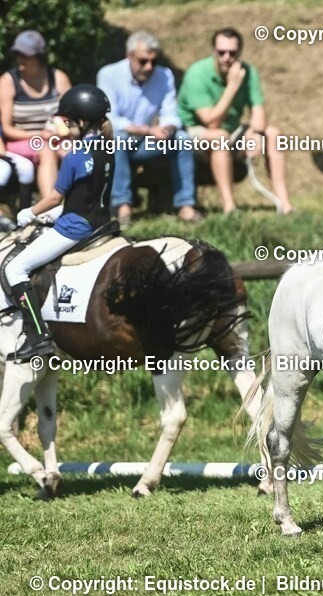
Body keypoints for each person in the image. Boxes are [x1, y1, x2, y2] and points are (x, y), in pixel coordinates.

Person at [6, 85, 114, 362]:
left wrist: (29, 212)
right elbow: (89, 193)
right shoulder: (109, 147)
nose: (64, 126)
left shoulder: (76, 156)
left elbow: (54, 197)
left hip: (75, 228)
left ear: (81, 121)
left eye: (67, 121)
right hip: (101, 220)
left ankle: (37, 337)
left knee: (16, 268)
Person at [178, 27, 293, 214]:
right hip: (193, 133)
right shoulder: (197, 74)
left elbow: (258, 110)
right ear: (214, 51)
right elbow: (211, 122)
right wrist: (232, 86)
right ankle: (229, 207)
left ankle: (285, 204)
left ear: (240, 52)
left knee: (273, 134)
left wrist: (255, 134)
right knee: (219, 136)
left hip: (231, 129)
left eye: (232, 53)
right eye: (221, 52)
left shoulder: (248, 72)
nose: (226, 58)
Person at [97, 31, 200, 224]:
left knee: (182, 140)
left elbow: (170, 112)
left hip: (147, 143)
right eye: (143, 61)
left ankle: (186, 205)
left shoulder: (164, 75)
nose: (149, 66)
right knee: (116, 138)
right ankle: (122, 207)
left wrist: (167, 128)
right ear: (129, 56)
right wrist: (148, 130)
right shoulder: (108, 75)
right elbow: (110, 119)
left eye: (153, 61)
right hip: (119, 141)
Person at [0, 30, 72, 198]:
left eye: (25, 55)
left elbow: (71, 118)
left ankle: (85, 207)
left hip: (58, 137)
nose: (20, 59)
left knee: (75, 154)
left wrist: (60, 130)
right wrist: (39, 134)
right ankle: (49, 207)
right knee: (45, 149)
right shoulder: (7, 82)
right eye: (17, 54)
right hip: (21, 140)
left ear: (39, 56)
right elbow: (7, 129)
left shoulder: (58, 78)